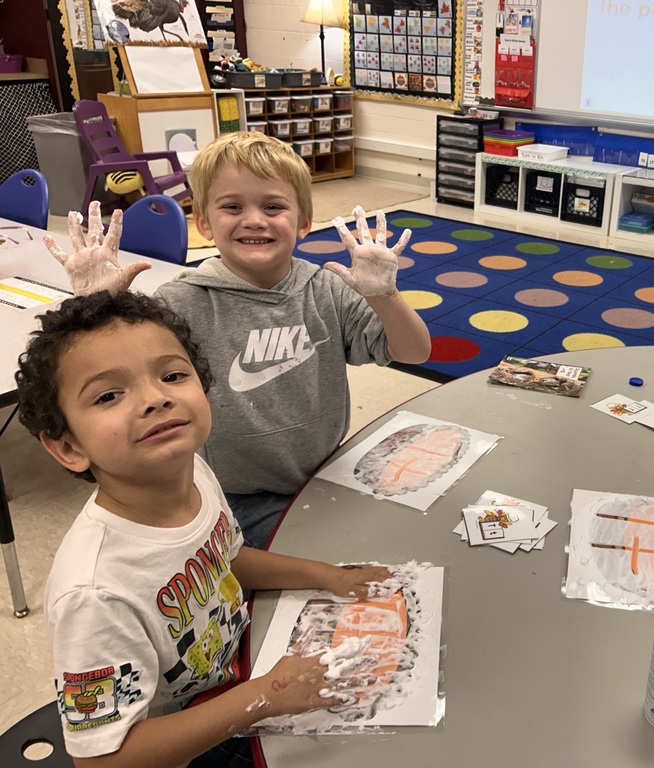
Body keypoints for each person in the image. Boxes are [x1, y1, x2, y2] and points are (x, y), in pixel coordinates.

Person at [16, 290, 392, 768]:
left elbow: (226, 559)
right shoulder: (93, 595)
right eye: (108, 395)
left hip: (237, 674)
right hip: (192, 742)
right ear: (69, 447)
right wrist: (269, 694)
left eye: (172, 376)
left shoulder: (194, 471)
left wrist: (328, 576)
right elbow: (103, 761)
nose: (156, 399)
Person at [43, 131, 432, 549]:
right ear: (204, 223)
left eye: (273, 206)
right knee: (320, 562)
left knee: (397, 539)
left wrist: (384, 296)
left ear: (304, 221)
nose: (254, 220)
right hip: (235, 493)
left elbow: (414, 351)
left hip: (325, 471)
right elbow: (119, 371)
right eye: (232, 207)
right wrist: (97, 306)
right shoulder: (182, 300)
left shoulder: (326, 289)